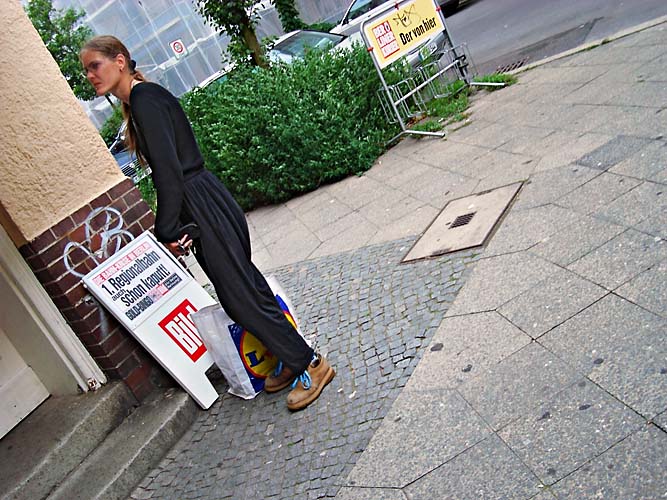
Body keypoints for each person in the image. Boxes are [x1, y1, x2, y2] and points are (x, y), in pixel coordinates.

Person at [80, 35, 334, 411]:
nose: (89, 76)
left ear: (120, 61)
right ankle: (287, 356)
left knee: (239, 295)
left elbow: (168, 172)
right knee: (246, 287)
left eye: (94, 66)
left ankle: (309, 363)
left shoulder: (146, 101)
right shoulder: (142, 101)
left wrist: (165, 228)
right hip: (203, 200)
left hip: (201, 202)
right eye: (85, 70)